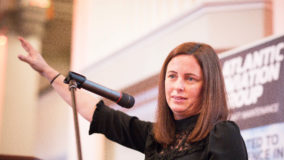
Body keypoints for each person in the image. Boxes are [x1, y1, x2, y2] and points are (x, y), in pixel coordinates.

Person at [18, 37, 248, 160]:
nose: (178, 86)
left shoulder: (222, 134)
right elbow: (99, 114)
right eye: (172, 76)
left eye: (190, 79)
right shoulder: (157, 137)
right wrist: (47, 72)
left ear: (208, 87)